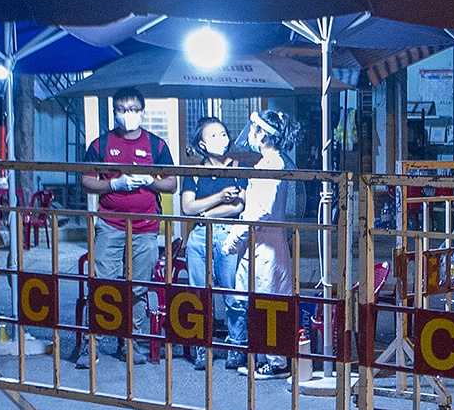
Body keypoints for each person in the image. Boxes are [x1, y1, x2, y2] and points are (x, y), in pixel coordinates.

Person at [73, 87, 178, 367]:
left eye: (133, 109)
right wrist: (114, 184)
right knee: (103, 285)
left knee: (138, 288)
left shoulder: (156, 145)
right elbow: (86, 181)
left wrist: (148, 180)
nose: (127, 114)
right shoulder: (100, 145)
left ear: (142, 112)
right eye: (122, 109)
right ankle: (91, 345)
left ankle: (132, 343)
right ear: (114, 113)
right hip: (110, 224)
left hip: (145, 227)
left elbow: (171, 183)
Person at [179, 116, 247, 371]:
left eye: (223, 134)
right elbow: (187, 207)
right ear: (202, 144)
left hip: (228, 233)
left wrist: (207, 212)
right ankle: (202, 346)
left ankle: (236, 346)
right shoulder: (195, 173)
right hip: (199, 236)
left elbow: (239, 206)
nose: (221, 139)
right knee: (199, 293)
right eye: (213, 136)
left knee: (233, 292)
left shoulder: (238, 167)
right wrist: (219, 197)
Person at [238, 110, 297, 378]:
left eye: (253, 130)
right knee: (264, 299)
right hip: (267, 241)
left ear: (262, 135)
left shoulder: (270, 165)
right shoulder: (273, 162)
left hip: (266, 243)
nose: (250, 135)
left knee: (268, 300)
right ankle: (268, 357)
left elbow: (261, 211)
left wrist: (233, 238)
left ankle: (276, 363)